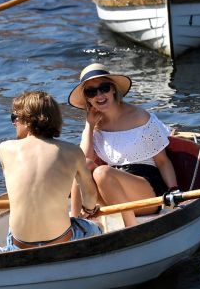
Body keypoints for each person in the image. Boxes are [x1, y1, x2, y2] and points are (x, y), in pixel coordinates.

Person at [67, 64, 180, 228]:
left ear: (113, 89)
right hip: (111, 190)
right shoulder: (95, 126)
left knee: (102, 172)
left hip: (148, 192)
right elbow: (84, 161)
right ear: (87, 98)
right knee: (83, 165)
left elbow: (162, 161)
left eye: (103, 88)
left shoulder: (141, 117)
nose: (99, 95)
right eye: (91, 92)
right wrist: (89, 125)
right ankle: (74, 223)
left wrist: (174, 189)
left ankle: (130, 227)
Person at [0, 91, 103, 250]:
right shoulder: (72, 152)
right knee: (97, 228)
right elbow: (90, 198)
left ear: (28, 120)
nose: (14, 123)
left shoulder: (4, 149)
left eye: (15, 117)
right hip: (60, 240)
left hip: (20, 245)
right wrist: (89, 210)